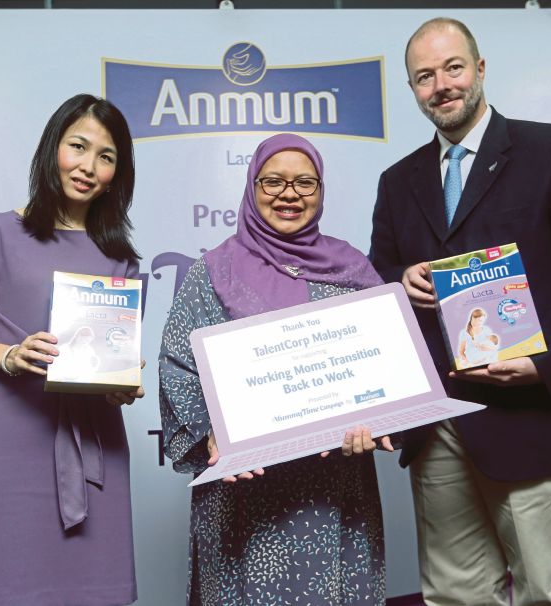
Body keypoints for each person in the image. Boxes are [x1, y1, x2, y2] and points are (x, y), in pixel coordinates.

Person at [369, 18, 551, 606]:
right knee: (454, 595)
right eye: (424, 77)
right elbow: (376, 279)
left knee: (546, 593)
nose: (441, 85)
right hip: (438, 425)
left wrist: (545, 362)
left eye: (453, 68)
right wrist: (398, 280)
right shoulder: (397, 181)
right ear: (413, 90)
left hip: (531, 416)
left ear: (480, 69)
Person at [159, 133, 391, 605]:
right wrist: (209, 435)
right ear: (251, 186)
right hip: (245, 493)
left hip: (333, 491)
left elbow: (387, 362)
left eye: (306, 183)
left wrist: (382, 417)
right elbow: (178, 366)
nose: (290, 194)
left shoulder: (353, 269)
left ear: (322, 191)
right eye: (273, 181)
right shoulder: (214, 271)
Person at [0, 94, 144, 606]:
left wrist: (123, 381)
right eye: (78, 147)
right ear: (53, 148)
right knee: (7, 579)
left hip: (94, 435)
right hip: (12, 432)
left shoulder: (121, 259)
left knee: (95, 585)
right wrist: (8, 355)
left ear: (118, 174)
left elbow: (118, 350)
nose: (88, 166)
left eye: (106, 156)